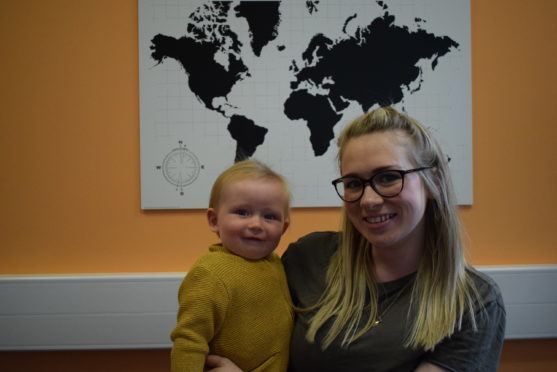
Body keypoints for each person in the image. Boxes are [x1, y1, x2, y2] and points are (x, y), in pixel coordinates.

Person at [207, 107, 506, 372]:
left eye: (388, 177)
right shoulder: (308, 257)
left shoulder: (474, 304)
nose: (369, 200)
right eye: (353, 183)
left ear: (434, 182)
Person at [170, 159, 293, 372]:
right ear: (214, 220)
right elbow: (189, 340)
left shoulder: (274, 263)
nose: (256, 224)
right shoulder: (210, 273)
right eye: (242, 212)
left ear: (284, 227)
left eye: (270, 216)